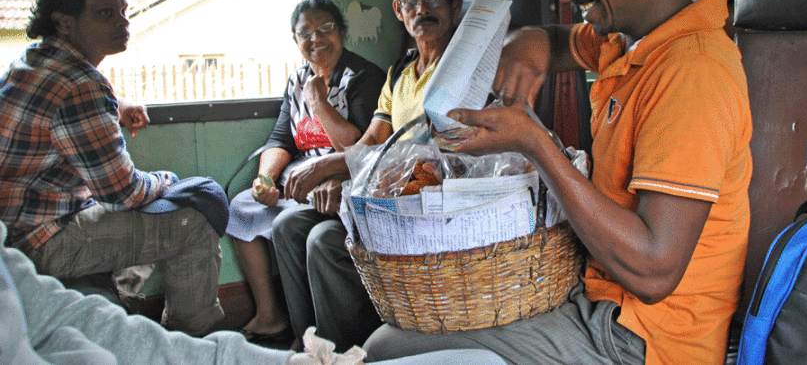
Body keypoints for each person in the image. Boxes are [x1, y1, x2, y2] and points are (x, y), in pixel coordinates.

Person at [363, 0, 754, 365]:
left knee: (390, 353)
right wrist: (528, 44)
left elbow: (655, 272)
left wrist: (534, 144)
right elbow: (555, 40)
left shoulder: (692, 72)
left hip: (644, 336)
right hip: (597, 294)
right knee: (388, 342)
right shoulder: (631, 37)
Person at [0, 0, 224, 336]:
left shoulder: (30, 61)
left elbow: (56, 109)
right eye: (106, 14)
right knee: (193, 217)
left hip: (14, 225)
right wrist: (167, 180)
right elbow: (124, 193)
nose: (123, 23)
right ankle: (192, 345)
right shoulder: (83, 84)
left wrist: (116, 107)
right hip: (42, 238)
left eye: (123, 12)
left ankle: (119, 316)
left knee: (154, 216)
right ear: (64, 21)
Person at [271, 0, 463, 352]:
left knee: (324, 241)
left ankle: (346, 353)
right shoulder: (400, 73)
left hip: (428, 201)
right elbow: (373, 143)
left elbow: (436, 153)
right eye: (412, 0)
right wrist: (337, 173)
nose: (422, 10)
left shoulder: (459, 69)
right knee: (288, 227)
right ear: (398, 10)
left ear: (455, 6)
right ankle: (312, 345)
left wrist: (338, 173)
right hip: (385, 192)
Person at [0, 220, 507, 365]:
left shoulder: (367, 77)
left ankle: (312, 345)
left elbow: (63, 317)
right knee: (290, 227)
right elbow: (284, 136)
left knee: (478, 362)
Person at [225, 0, 385, 346]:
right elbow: (281, 138)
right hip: (301, 183)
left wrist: (318, 101)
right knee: (243, 208)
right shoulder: (297, 78)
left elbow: (358, 150)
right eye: (305, 33)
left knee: (299, 231)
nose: (316, 39)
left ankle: (327, 340)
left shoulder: (363, 78)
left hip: (342, 183)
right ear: (295, 40)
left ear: (341, 33)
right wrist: (265, 178)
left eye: (325, 28)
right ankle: (292, 327)